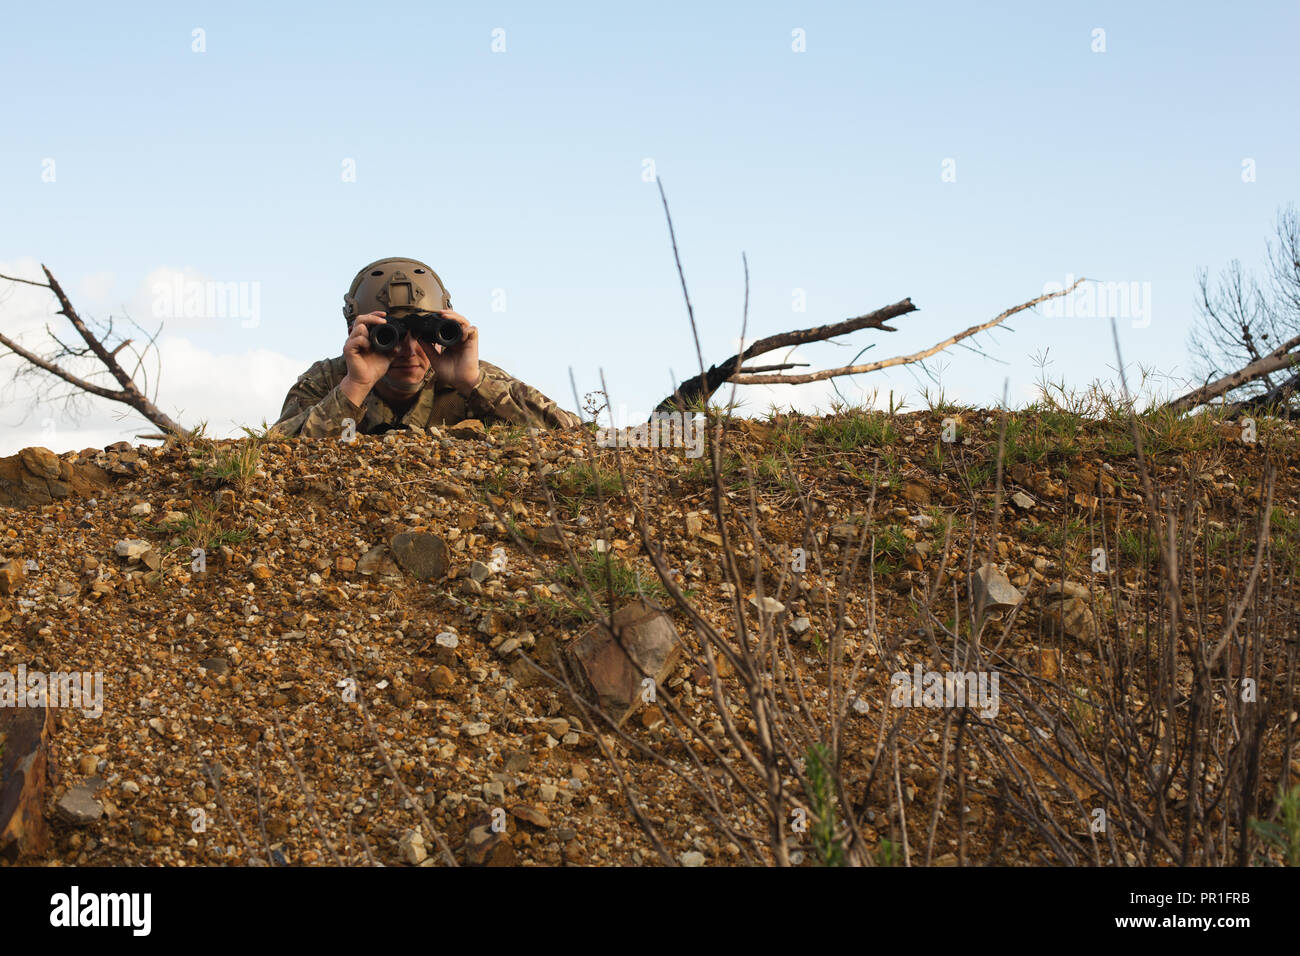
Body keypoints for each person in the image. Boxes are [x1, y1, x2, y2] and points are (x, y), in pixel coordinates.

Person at [269, 257, 582, 438]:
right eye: (389, 335)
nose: (408, 351)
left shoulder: (467, 377)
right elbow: (272, 454)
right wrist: (354, 388)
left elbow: (570, 435)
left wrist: (475, 384)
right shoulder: (330, 380)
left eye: (423, 334)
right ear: (357, 332)